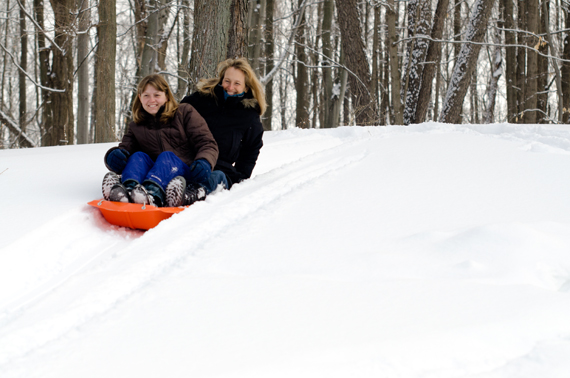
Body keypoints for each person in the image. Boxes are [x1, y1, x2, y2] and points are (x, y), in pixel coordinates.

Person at [101, 74, 225, 207]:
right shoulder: (136, 126)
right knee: (138, 156)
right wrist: (113, 156)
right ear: (140, 98)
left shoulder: (184, 112)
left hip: (182, 176)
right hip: (154, 174)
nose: (151, 100)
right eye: (146, 95)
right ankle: (127, 191)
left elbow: (207, 143)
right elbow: (125, 149)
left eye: (157, 95)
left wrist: (204, 161)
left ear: (166, 96)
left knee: (166, 157)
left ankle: (152, 194)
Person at [166, 57, 265, 206]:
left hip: (220, 170)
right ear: (221, 80)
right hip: (192, 162)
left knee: (215, 177)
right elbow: (177, 114)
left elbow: (251, 150)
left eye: (237, 83)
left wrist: (240, 179)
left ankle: (188, 196)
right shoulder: (202, 99)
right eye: (227, 81)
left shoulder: (249, 116)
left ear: (246, 88)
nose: (230, 86)